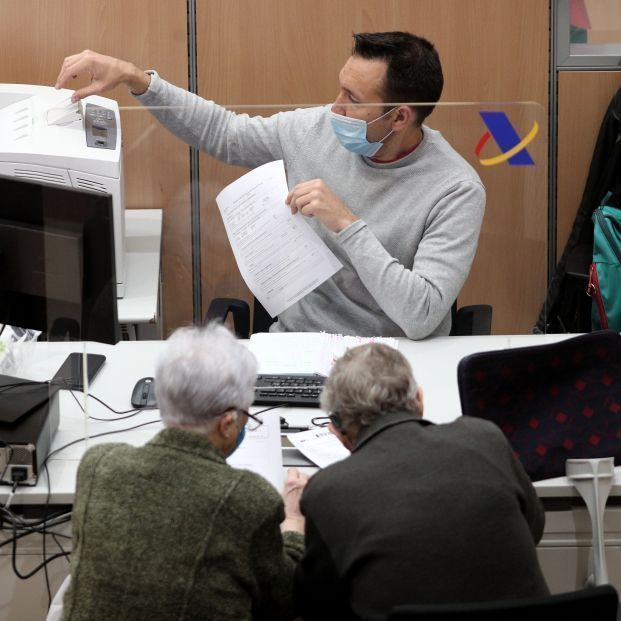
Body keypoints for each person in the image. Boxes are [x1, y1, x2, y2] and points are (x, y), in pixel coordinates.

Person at [55, 32, 485, 339]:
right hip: (298, 345)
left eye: (354, 100)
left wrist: (347, 224)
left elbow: (422, 315)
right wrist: (139, 80)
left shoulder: (454, 188)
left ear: (400, 117)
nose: (334, 106)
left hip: (393, 359)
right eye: (340, 88)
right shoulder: (317, 128)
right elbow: (224, 132)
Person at [59, 324, 307, 621]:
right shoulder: (249, 498)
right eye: (245, 415)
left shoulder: (97, 464)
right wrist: (293, 521)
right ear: (227, 424)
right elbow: (284, 600)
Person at [293, 343, 549, 621]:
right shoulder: (485, 437)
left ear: (338, 430)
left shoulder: (327, 490)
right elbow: (533, 527)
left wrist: (292, 526)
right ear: (419, 400)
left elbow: (313, 604)